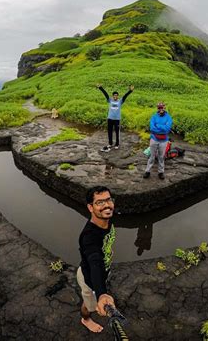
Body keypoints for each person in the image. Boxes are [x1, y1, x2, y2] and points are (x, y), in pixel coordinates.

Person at [77, 186, 117, 333]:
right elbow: (95, 263)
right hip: (90, 280)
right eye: (99, 202)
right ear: (90, 207)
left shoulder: (108, 217)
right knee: (89, 305)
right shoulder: (89, 236)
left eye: (108, 200)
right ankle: (85, 319)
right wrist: (101, 294)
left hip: (104, 271)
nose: (106, 205)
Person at [96, 84, 134, 152]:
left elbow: (125, 96)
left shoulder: (120, 101)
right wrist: (100, 88)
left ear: (117, 96)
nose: (115, 96)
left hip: (117, 120)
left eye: (116, 95)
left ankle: (117, 144)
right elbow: (105, 94)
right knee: (109, 132)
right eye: (114, 95)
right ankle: (110, 143)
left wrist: (130, 91)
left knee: (117, 132)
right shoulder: (110, 100)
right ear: (113, 96)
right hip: (110, 119)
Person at [143, 102, 173, 180]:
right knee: (151, 156)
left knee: (161, 157)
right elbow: (152, 128)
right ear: (157, 108)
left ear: (164, 108)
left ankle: (161, 172)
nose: (161, 109)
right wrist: (162, 127)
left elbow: (167, 129)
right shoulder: (154, 117)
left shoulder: (168, 117)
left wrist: (158, 126)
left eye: (162, 107)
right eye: (159, 108)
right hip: (154, 139)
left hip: (164, 141)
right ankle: (147, 171)